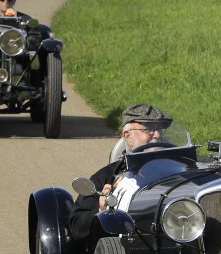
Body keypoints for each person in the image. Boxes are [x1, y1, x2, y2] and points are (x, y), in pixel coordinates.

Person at [68, 103, 171, 240]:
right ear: (127, 135)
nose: (157, 135)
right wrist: (101, 209)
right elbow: (77, 226)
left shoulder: (178, 169)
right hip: (125, 248)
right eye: (148, 129)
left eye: (159, 129)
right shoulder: (106, 177)